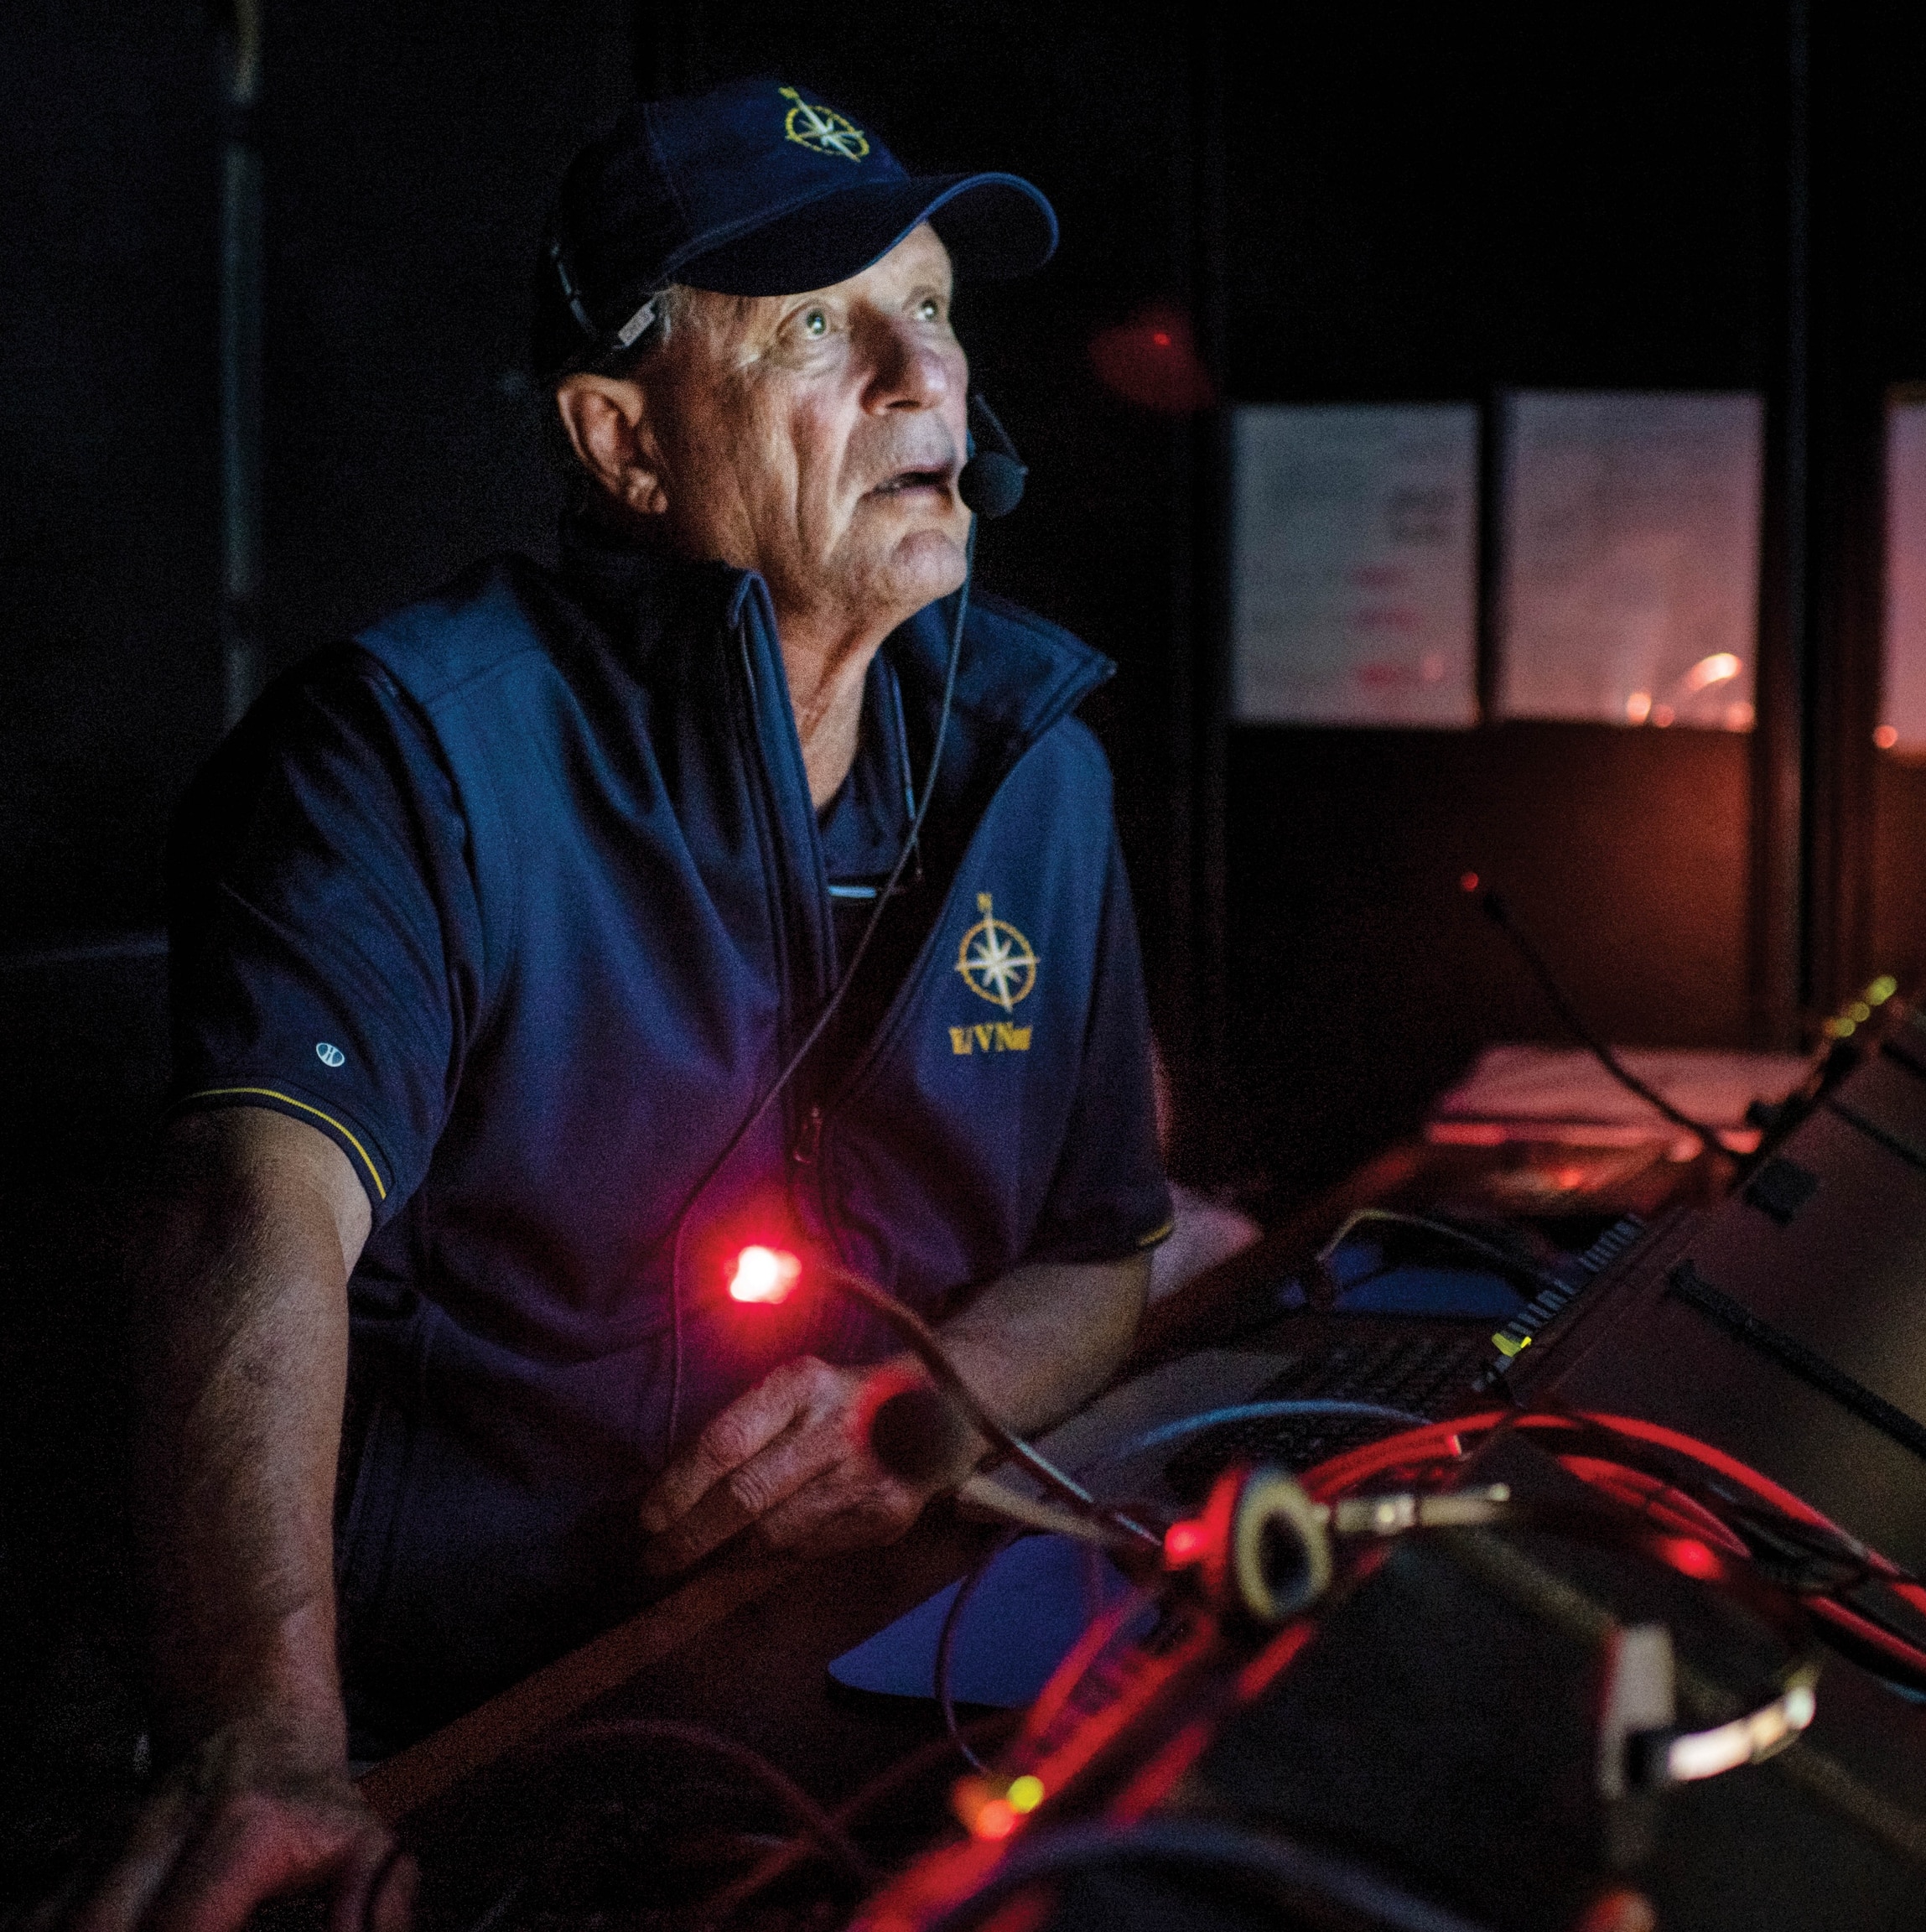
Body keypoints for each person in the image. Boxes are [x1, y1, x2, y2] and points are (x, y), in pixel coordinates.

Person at [78, 75, 1171, 1932]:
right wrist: (268, 1741)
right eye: (824, 325)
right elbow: (247, 1207)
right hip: (474, 1743)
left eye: (936, 309)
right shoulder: (408, 755)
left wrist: (922, 1412)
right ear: (625, 443)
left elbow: (1105, 1249)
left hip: (870, 1673)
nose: (927, 378)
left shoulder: (1033, 768)